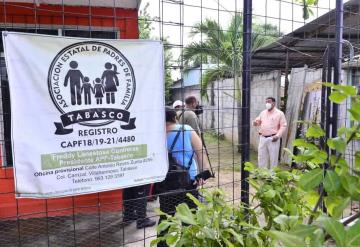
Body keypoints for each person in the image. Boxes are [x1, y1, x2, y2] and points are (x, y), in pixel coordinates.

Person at [157, 107, 210, 247]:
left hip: (165, 181)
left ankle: (161, 244)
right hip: (188, 180)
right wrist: (203, 174)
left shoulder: (157, 134)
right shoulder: (186, 130)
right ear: (175, 117)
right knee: (189, 217)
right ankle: (188, 243)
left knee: (165, 217)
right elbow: (200, 152)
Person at [253, 97, 287, 168]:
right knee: (261, 156)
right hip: (262, 137)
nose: (267, 103)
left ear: (274, 103)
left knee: (273, 157)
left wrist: (277, 136)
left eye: (269, 102)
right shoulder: (263, 112)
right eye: (266, 102)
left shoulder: (279, 113)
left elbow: (283, 126)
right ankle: (262, 173)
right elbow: (258, 121)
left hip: (273, 138)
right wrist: (255, 122)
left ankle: (272, 175)